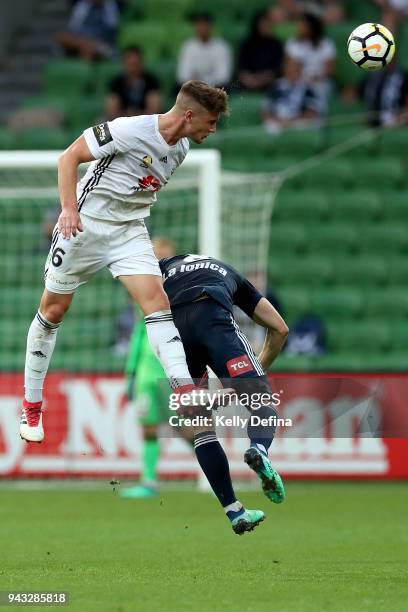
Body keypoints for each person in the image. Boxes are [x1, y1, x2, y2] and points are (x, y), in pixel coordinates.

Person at [20, 80, 230, 445]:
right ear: (190, 115)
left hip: (128, 231)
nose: (213, 129)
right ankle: (32, 405)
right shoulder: (129, 129)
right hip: (84, 225)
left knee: (157, 302)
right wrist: (68, 209)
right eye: (210, 121)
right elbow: (68, 157)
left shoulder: (180, 149)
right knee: (53, 310)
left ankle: (183, 392)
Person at [159, 253, 289, 535]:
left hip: (174, 334)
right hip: (215, 321)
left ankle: (234, 511)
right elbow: (280, 328)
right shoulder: (229, 272)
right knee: (261, 402)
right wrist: (254, 375)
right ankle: (259, 449)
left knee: (202, 428)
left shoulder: (162, 270)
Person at [121, 237, 194, 499]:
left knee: (184, 427)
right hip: (145, 374)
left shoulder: (183, 292)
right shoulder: (142, 290)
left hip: (169, 372)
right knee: (149, 427)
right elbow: (139, 335)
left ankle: (215, 468)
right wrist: (130, 373)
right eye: (154, 254)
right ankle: (149, 481)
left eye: (162, 255)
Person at [284, 13, 336, 114]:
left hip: (319, 81)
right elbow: (289, 67)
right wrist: (298, 78)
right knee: (284, 87)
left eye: (302, 25)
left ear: (311, 27)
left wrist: (316, 77)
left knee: (320, 90)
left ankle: (316, 121)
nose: (299, 27)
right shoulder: (293, 43)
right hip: (297, 80)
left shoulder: (325, 43)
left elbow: (330, 69)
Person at [262, 56, 321, 134]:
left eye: (295, 70)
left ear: (300, 71)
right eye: (289, 70)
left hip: (298, 121)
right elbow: (266, 109)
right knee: (271, 127)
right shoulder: (276, 86)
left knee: (306, 124)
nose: (292, 73)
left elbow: (312, 111)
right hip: (278, 121)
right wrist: (275, 119)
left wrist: (292, 121)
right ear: (285, 71)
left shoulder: (308, 88)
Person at [177, 13, 232, 89]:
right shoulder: (188, 46)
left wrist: (204, 81)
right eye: (199, 25)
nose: (202, 28)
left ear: (211, 26)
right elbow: (182, 75)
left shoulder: (221, 47)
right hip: (193, 88)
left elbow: (224, 76)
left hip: (215, 89)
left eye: (205, 25)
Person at [106, 47, 162, 120]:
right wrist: (127, 117)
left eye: (135, 64)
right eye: (130, 64)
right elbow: (111, 110)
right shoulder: (117, 82)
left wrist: (136, 116)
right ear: (124, 63)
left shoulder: (151, 81)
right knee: (101, 122)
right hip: (122, 121)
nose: (133, 68)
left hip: (145, 121)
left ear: (141, 62)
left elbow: (154, 109)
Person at [237, 9, 284, 92]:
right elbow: (242, 68)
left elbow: (277, 70)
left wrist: (261, 79)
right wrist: (249, 79)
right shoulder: (247, 44)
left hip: (269, 83)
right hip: (248, 82)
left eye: (268, 23)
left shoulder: (277, 45)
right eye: (263, 24)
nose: (265, 26)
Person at [363, 61, 408, 127]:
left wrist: (401, 117)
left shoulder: (404, 77)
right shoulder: (372, 76)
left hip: (396, 122)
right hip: (372, 121)